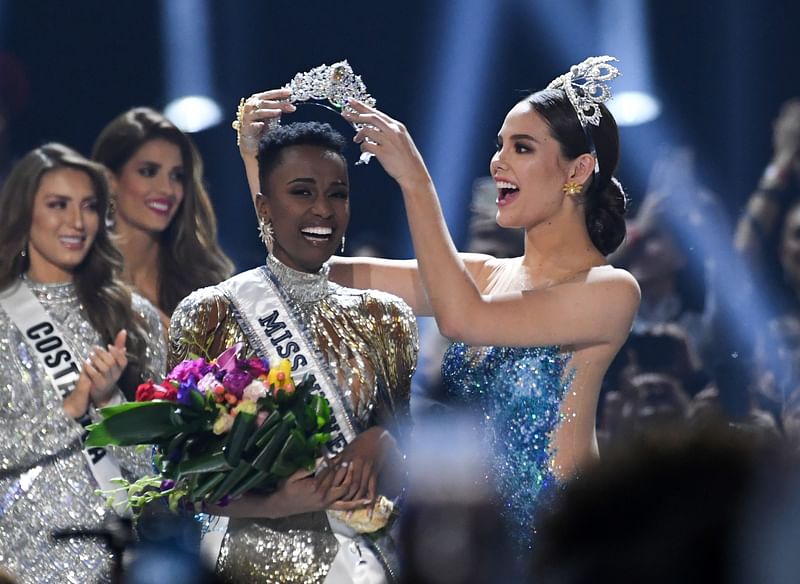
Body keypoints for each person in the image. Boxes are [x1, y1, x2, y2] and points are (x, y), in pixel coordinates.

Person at [236, 57, 640, 555]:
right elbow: (304, 270)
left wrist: (416, 181)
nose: (498, 162)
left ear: (577, 170)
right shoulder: (484, 275)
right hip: (472, 545)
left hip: (561, 546)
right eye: (499, 146)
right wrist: (260, 161)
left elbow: (465, 319)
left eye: (522, 147)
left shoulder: (611, 290)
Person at [168, 122, 417, 583]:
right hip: (244, 562)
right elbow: (183, 482)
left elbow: (410, 464)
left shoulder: (388, 319)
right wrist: (283, 502)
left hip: (359, 561)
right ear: (264, 205)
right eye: (302, 192)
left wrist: (379, 443)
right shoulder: (210, 313)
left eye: (337, 193)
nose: (323, 209)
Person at [0, 143, 166, 583]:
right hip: (19, 559)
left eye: (89, 207)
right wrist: (72, 407)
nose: (76, 222)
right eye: (58, 205)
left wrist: (110, 404)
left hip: (126, 557)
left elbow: (164, 466)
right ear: (24, 212)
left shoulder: (134, 317)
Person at [92, 107, 234, 330]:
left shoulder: (201, 279)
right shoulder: (85, 279)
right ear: (110, 180)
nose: (167, 189)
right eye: (148, 172)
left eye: (177, 176)